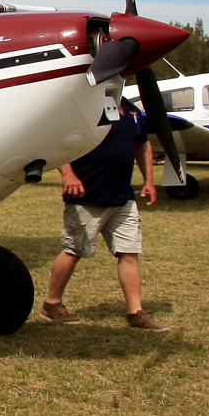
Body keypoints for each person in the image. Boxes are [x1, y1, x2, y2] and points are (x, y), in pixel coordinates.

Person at [42, 96, 170, 330]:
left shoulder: (131, 111)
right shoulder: (85, 105)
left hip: (122, 197)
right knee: (73, 251)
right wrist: (68, 175)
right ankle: (52, 304)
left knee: (129, 252)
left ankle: (135, 312)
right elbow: (58, 140)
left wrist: (149, 181)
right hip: (86, 196)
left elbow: (142, 144)